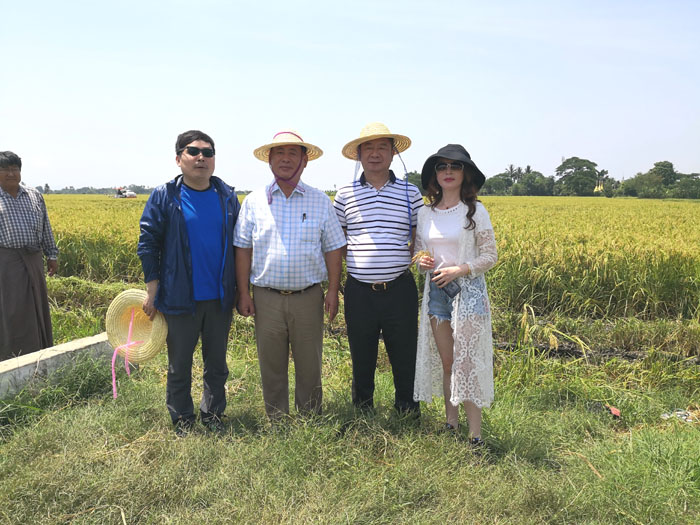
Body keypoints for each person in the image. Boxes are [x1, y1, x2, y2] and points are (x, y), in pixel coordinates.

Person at [234, 130, 345, 422]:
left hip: (308, 296)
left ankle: (310, 418)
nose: (285, 159)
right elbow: (243, 249)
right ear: (269, 160)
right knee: (271, 363)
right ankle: (277, 419)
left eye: (293, 153)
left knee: (310, 363)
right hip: (266, 297)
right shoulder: (254, 201)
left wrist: (333, 291)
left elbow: (334, 248)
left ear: (304, 160)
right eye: (279, 153)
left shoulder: (320, 201)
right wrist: (243, 293)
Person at [137, 130, 240, 437]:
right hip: (180, 295)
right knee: (179, 364)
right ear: (178, 158)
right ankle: (182, 417)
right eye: (193, 151)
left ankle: (213, 414)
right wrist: (152, 289)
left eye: (208, 153)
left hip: (220, 296)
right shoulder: (165, 196)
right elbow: (148, 243)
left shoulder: (227, 196)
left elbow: (241, 246)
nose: (201, 158)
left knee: (217, 363)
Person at [334, 123, 423, 416]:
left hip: (400, 288)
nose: (375, 154)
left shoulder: (410, 192)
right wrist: (362, 262)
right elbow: (338, 240)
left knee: (405, 351)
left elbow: (419, 237)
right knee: (361, 352)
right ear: (358, 154)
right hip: (359, 290)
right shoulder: (344, 194)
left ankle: (407, 410)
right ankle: (362, 411)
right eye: (368, 148)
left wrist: (395, 259)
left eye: (382, 147)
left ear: (393, 153)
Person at [413, 144, 498, 446]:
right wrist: (422, 262)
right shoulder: (425, 213)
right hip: (437, 295)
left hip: (468, 295)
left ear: (466, 173)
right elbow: (419, 252)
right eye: (442, 166)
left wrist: (460, 269)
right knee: (448, 362)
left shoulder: (475, 211)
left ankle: (475, 435)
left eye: (455, 166)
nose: (448, 171)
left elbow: (490, 256)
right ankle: (451, 424)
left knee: (467, 363)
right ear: (434, 174)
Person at [0, 151, 58, 361]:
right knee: (12, 311)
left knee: (37, 307)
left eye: (15, 169)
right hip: (6, 264)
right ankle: (12, 358)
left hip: (34, 260)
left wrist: (52, 254)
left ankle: (40, 352)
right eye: (5, 169)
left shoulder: (34, 195)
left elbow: (45, 227)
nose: (11, 173)